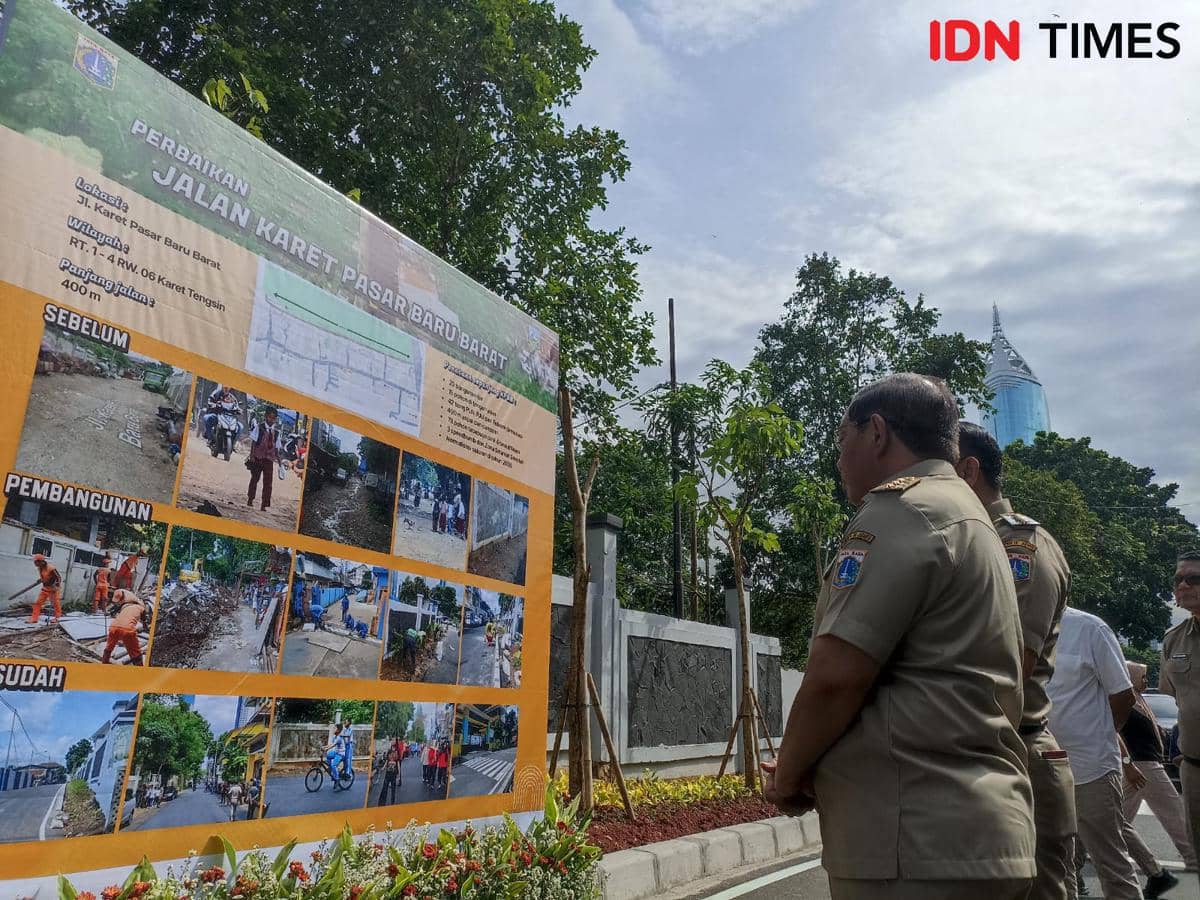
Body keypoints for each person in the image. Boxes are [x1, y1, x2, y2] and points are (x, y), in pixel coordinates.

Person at [764, 374, 1034, 900]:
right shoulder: (970, 516)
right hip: (971, 834)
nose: (839, 460)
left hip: (914, 841)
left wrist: (788, 775)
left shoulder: (904, 511)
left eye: (843, 441)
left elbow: (835, 678)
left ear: (878, 433)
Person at [955, 423, 1077, 900]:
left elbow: (1009, 671)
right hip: (981, 757)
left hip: (1016, 756)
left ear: (969, 471)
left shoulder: (1017, 547)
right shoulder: (966, 541)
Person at [1047, 605, 1146, 899]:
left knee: (1110, 862)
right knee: (1055, 863)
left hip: (1090, 769)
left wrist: (1102, 735)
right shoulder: (1010, 621)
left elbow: (1123, 696)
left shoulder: (1090, 628)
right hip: (1037, 767)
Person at [1121, 661, 1195, 881]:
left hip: (1144, 763)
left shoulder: (1138, 699)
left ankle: (1089, 846)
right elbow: (1116, 731)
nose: (1146, 680)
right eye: (1142, 676)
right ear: (1130, 677)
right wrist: (1127, 762)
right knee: (1173, 808)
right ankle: (1193, 857)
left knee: (1119, 814)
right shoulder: (1123, 700)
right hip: (1143, 764)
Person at [1158, 549, 1200, 889]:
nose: (1183, 585)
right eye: (1178, 579)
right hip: (1194, 767)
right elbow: (1175, 697)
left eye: (1193, 579)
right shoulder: (1174, 640)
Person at [246, 407, 280, 511]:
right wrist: (252, 456)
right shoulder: (259, 427)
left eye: (274, 418)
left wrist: (279, 460)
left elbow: (277, 447)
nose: (271, 420)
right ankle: (250, 499)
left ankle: (264, 504)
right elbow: (254, 442)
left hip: (269, 459)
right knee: (255, 479)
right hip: (258, 457)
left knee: (268, 483)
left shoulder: (277, 432)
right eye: (270, 417)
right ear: (266, 417)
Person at [101, 589, 145, 665]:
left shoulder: (125, 606)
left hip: (113, 627)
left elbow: (118, 609)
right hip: (127, 629)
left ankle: (104, 662)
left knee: (109, 647)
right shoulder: (140, 607)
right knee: (135, 652)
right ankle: (139, 668)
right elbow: (144, 619)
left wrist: (111, 612)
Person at [28, 554, 63, 623]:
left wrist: (56, 586)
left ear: (41, 561)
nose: (34, 563)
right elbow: (46, 577)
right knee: (38, 603)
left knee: (56, 604)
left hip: (53, 589)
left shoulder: (51, 568)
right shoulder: (40, 568)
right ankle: (34, 618)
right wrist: (41, 579)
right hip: (45, 588)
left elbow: (58, 577)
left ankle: (57, 618)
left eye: (35, 562)